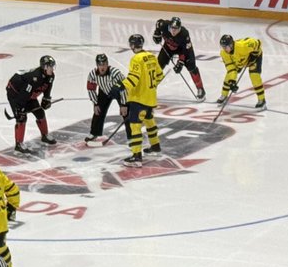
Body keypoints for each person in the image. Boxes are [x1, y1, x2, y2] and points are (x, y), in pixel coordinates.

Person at [120, 33, 165, 166]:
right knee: (150, 122)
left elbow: (133, 79)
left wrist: (121, 86)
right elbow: (160, 75)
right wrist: (151, 86)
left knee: (135, 126)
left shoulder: (136, 59)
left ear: (133, 45)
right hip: (150, 98)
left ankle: (136, 156)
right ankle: (155, 146)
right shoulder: (151, 56)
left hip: (138, 99)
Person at [5, 56, 57, 153]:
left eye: (53, 66)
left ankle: (45, 136)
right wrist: (19, 108)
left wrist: (46, 98)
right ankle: (19, 144)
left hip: (27, 94)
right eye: (50, 67)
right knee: (21, 117)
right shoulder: (35, 78)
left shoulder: (51, 76)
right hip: (15, 93)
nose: (52, 69)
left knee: (40, 113)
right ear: (44, 67)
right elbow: (25, 93)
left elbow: (48, 87)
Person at [153, 16, 206, 100]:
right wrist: (156, 33)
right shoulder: (163, 24)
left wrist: (180, 62)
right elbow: (158, 23)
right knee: (158, 65)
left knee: (192, 67)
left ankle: (200, 89)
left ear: (180, 28)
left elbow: (186, 50)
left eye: (176, 29)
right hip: (168, 47)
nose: (174, 31)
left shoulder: (184, 34)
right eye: (172, 28)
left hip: (183, 49)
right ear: (169, 26)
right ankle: (150, 87)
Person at [84, 53, 127, 144]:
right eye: (100, 65)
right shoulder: (92, 74)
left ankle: (132, 134)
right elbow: (91, 89)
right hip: (104, 91)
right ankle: (94, 133)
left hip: (118, 91)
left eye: (104, 64)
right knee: (98, 110)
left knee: (126, 113)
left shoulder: (115, 73)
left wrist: (124, 104)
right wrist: (95, 103)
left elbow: (125, 88)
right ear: (97, 65)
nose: (102, 67)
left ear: (107, 64)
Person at [218, 34, 266, 110]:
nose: (224, 49)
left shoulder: (242, 46)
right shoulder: (224, 53)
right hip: (240, 62)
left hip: (254, 59)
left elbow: (258, 42)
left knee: (254, 76)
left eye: (226, 47)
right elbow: (231, 69)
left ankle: (262, 100)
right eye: (223, 47)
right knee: (228, 77)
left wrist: (254, 54)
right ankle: (224, 95)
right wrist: (232, 82)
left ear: (231, 45)